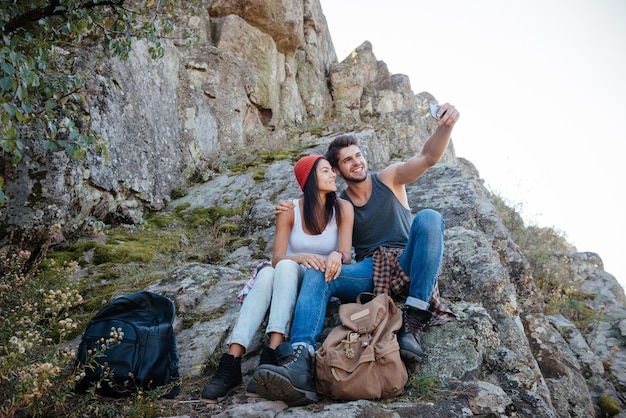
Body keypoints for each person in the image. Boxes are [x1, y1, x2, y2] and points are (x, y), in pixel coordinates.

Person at [252, 103, 460, 406]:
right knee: (318, 269)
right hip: (369, 271)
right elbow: (310, 215)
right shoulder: (338, 203)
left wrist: (445, 126)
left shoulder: (388, 178)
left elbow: (428, 157)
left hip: (405, 260)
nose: (357, 163)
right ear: (336, 171)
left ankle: (413, 321)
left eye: (358, 156)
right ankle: (300, 358)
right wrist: (287, 207)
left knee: (429, 217)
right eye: (348, 160)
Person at [201, 155, 354, 403]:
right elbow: (277, 257)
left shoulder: (343, 207)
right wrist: (302, 256)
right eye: (326, 171)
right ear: (310, 179)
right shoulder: (290, 209)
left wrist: (336, 254)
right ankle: (233, 361)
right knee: (271, 272)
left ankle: (270, 353)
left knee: (280, 268)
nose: (333, 174)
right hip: (287, 273)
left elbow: (345, 255)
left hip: (318, 278)